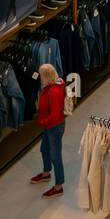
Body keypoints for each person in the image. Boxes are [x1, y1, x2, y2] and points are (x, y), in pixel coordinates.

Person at [30, 63, 66, 198]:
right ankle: (46, 173)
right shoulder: (52, 85)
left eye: (41, 76)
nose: (40, 78)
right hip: (49, 126)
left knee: (56, 156)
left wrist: (43, 122)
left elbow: (55, 114)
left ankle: (59, 186)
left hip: (54, 127)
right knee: (44, 149)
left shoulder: (53, 92)